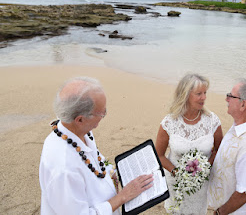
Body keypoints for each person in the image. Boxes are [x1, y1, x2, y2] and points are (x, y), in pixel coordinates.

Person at [39, 77, 154, 215]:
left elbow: (95, 164)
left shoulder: (78, 131)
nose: (104, 116)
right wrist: (123, 196)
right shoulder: (64, 168)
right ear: (80, 119)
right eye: (102, 113)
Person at [155, 73, 223, 214]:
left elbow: (218, 150)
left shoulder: (212, 121)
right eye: (199, 93)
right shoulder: (169, 122)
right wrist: (177, 172)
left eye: (205, 93)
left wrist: (204, 169)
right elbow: (159, 155)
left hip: (200, 185)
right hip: (176, 183)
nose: (204, 97)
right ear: (186, 95)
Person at [208, 79, 246, 214]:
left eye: (231, 96)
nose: (226, 99)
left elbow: (244, 192)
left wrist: (220, 213)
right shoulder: (239, 125)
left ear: (243, 105)